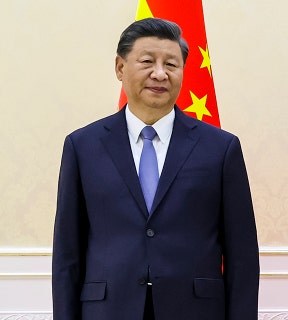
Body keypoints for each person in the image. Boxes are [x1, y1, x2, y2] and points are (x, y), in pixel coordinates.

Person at [52, 18, 259, 320]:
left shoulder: (220, 148)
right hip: (107, 310)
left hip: (195, 310)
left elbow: (242, 257)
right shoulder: (83, 146)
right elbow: (67, 254)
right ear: (120, 68)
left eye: (172, 65)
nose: (160, 73)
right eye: (148, 61)